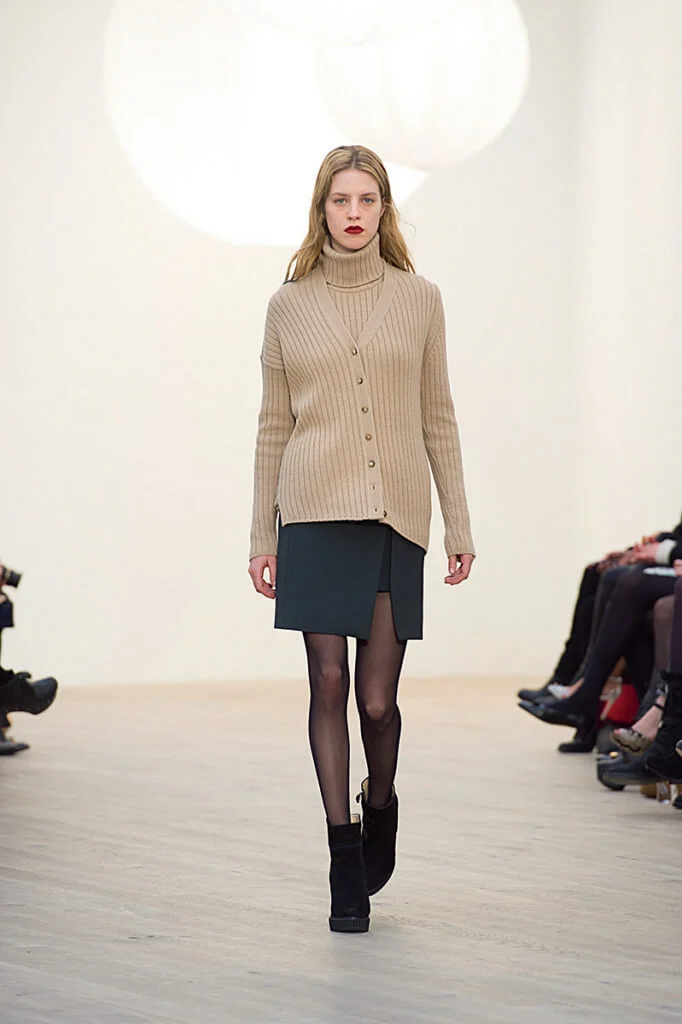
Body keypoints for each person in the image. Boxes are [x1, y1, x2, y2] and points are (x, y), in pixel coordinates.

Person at [248, 145, 474, 934]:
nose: (353, 213)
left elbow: (437, 414)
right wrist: (262, 534)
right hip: (312, 514)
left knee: (378, 702)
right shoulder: (288, 306)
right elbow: (273, 426)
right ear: (322, 209)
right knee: (327, 683)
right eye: (340, 200)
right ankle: (343, 855)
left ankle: (380, 804)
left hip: (393, 515)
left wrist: (459, 521)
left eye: (367, 200)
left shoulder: (420, 299)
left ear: (384, 210)